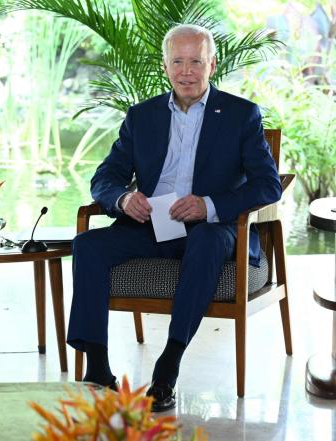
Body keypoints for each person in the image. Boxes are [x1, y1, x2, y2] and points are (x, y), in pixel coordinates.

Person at [67, 24, 282, 412]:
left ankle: (167, 368)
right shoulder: (141, 116)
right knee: (88, 244)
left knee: (204, 239)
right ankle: (98, 368)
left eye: (196, 61)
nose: (187, 71)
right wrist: (123, 197)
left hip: (212, 229)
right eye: (178, 61)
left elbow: (268, 186)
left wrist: (209, 205)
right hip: (151, 226)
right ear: (165, 66)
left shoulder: (240, 115)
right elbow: (105, 177)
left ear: (211, 65)